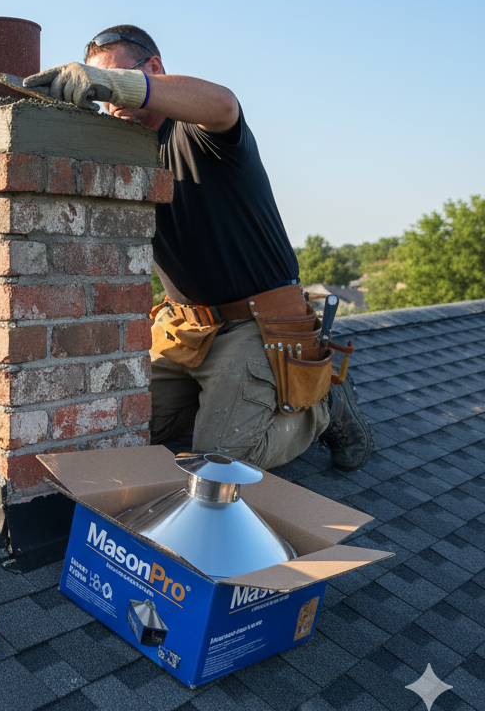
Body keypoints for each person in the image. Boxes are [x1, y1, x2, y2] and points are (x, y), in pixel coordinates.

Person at [23, 25, 372, 471]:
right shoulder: (124, 151)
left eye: (113, 80)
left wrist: (123, 87)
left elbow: (224, 104)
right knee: (113, 426)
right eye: (98, 88)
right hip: (184, 330)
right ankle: (219, 403)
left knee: (219, 464)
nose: (108, 98)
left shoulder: (200, 130)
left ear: (153, 69)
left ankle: (321, 405)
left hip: (258, 327)